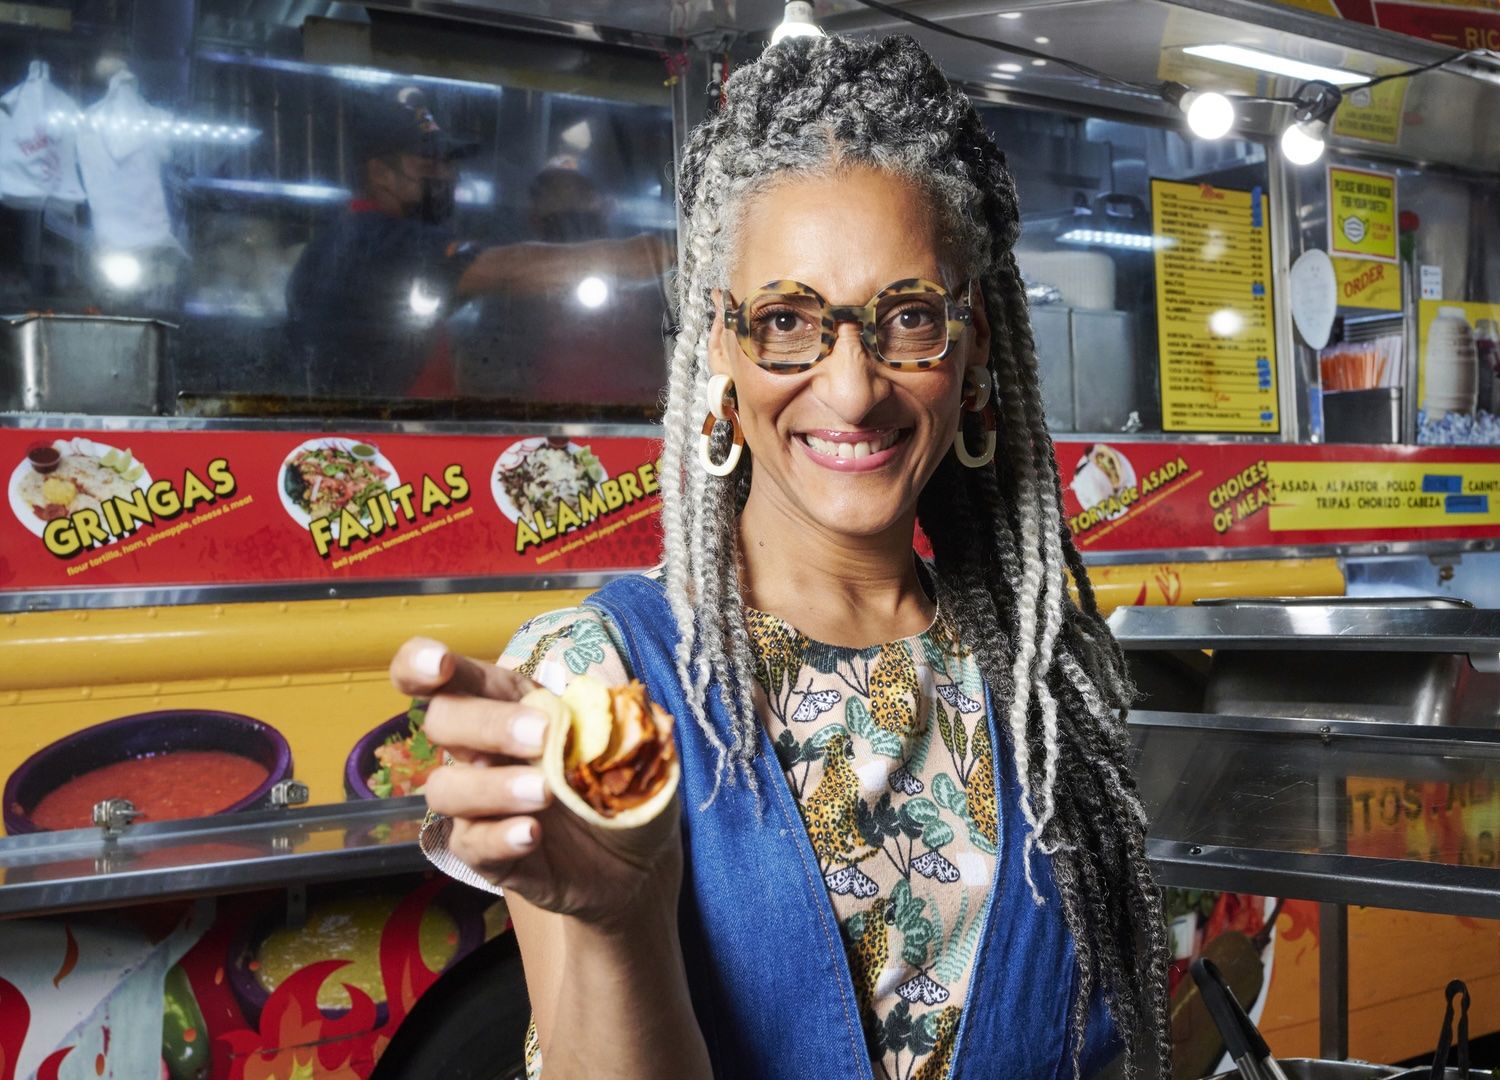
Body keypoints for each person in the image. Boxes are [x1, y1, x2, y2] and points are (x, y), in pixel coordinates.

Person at [389, 34, 1169, 1080]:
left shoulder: (1046, 684)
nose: (852, 389)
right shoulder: (599, 680)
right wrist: (622, 917)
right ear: (719, 345)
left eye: (909, 319)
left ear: (973, 343)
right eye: (789, 321)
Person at [284, 87, 666, 399]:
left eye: (449, 165)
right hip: (382, 460)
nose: (446, 177)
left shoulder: (372, 236)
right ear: (381, 174)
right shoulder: (369, 241)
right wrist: (632, 256)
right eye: (429, 166)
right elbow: (506, 270)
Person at [461, 165, 668, 410]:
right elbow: (489, 373)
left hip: (642, 418)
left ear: (604, 210)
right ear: (535, 219)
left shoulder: (646, 274)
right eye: (559, 214)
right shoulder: (514, 289)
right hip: (545, 418)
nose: (573, 224)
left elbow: (666, 354)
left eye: (583, 208)